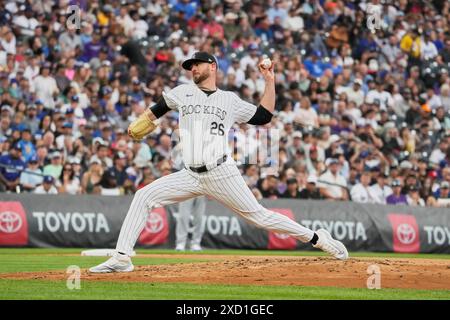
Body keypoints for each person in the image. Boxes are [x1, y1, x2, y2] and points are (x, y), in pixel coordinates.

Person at [90, 51, 348, 273]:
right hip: (189, 174)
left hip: (221, 172)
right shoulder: (181, 93)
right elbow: (156, 110)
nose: (193, 69)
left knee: (259, 217)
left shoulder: (229, 100)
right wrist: (143, 121)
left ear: (212, 67)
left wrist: (269, 82)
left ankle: (317, 238)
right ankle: (122, 257)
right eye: (190, 66)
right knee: (144, 196)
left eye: (197, 64)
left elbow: (263, 117)